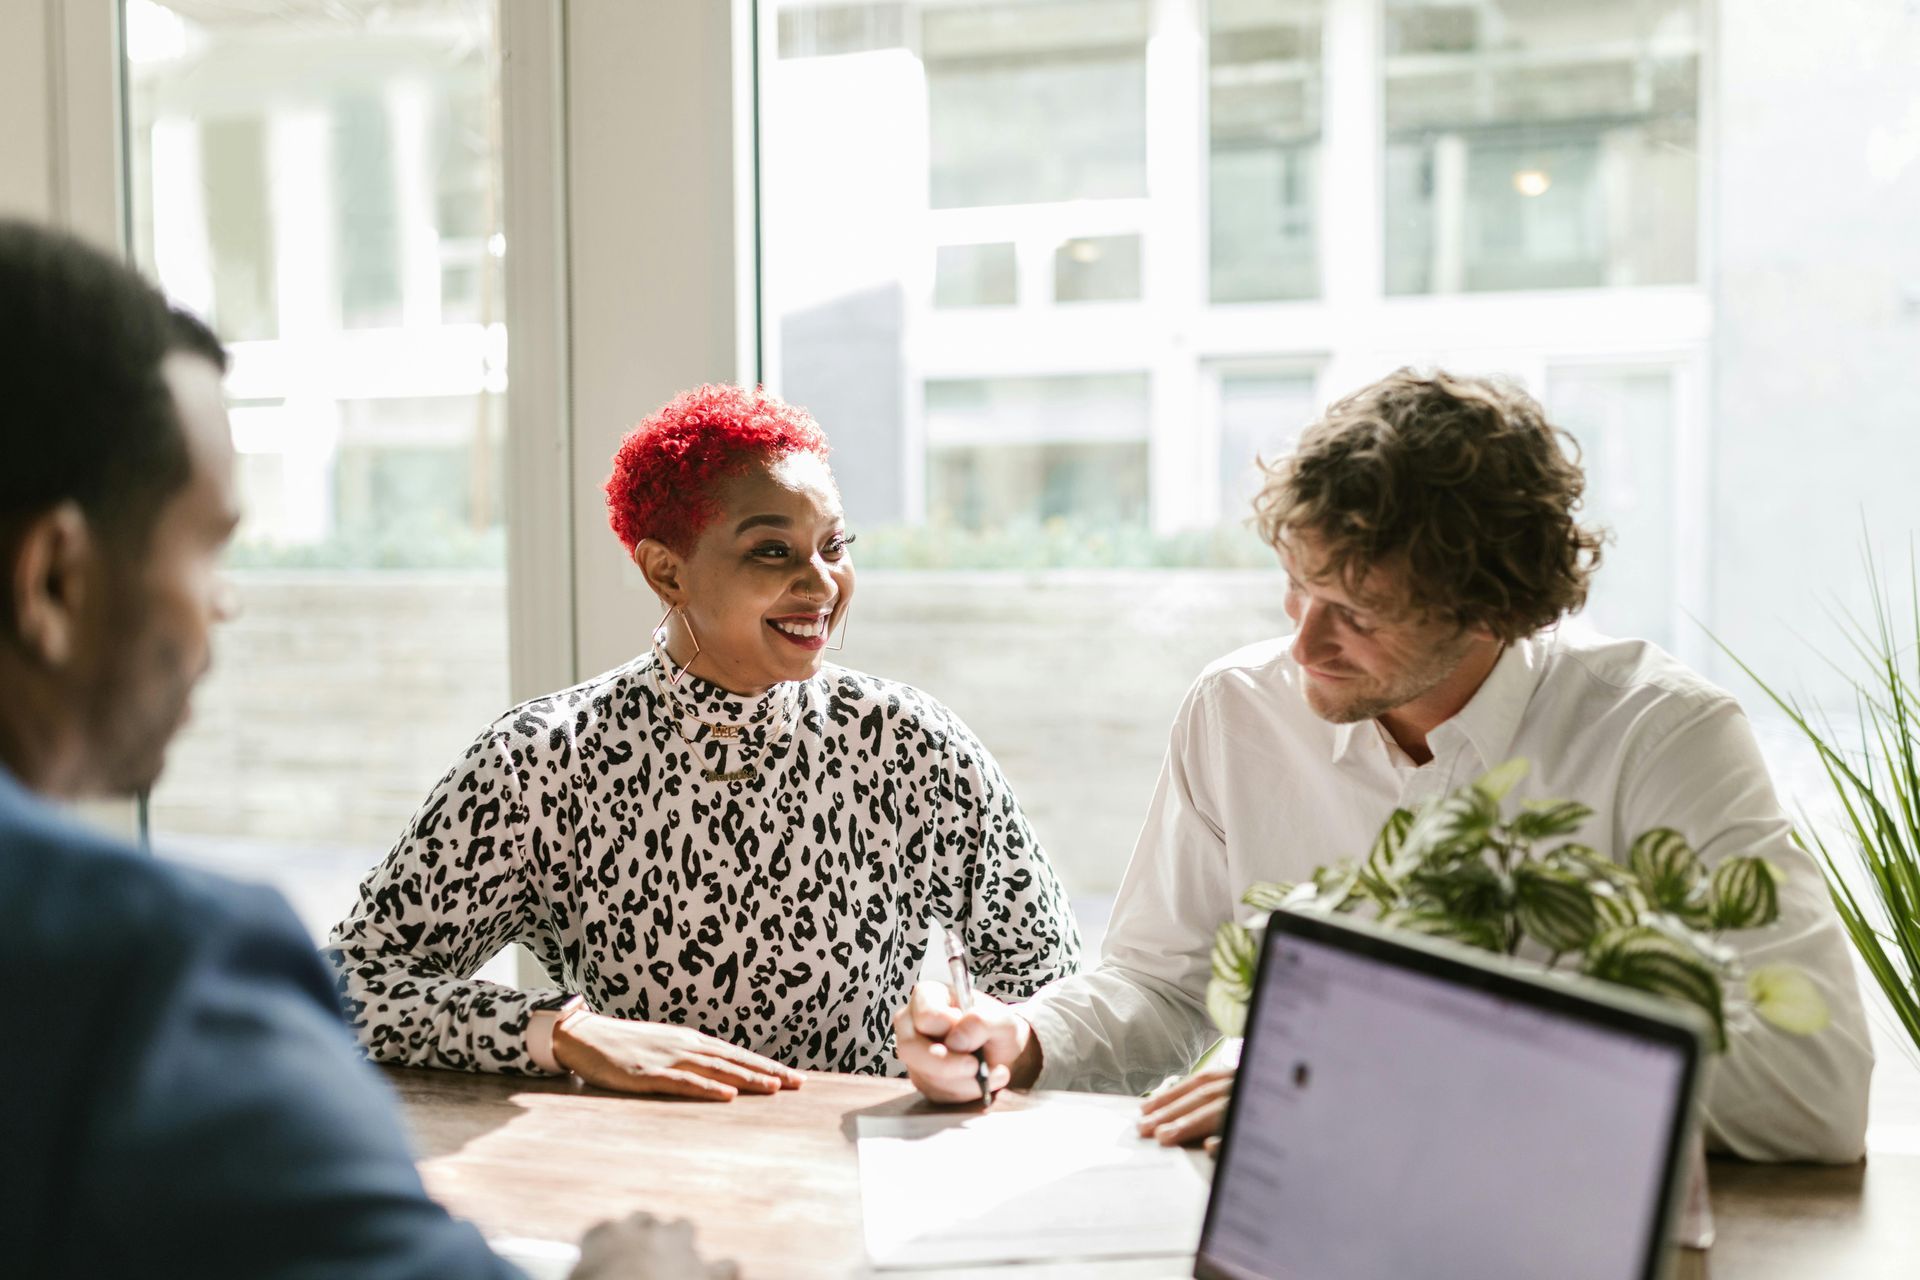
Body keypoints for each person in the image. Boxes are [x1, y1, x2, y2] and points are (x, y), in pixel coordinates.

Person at [894, 368, 1875, 1164]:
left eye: (1358, 612)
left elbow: (1813, 1090)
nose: (1304, 639)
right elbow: (1162, 982)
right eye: (1295, 585)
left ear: (1492, 601)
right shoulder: (1238, 711)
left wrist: (1373, 1075)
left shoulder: (1663, 737)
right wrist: (1020, 1039)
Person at [0, 218, 721, 1278]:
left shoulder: (906, 741)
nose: (224, 605)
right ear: (56, 579)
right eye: (208, 547)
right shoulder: (145, 976)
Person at [327, 383, 1082, 1094]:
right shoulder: (542, 762)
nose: (822, 585)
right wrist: (563, 1033)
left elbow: (1057, 997)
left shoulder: (911, 746)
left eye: (834, 544)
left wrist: (974, 1049)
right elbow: (348, 982)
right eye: (773, 551)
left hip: (855, 1185)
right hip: (641, 1183)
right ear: (667, 571)